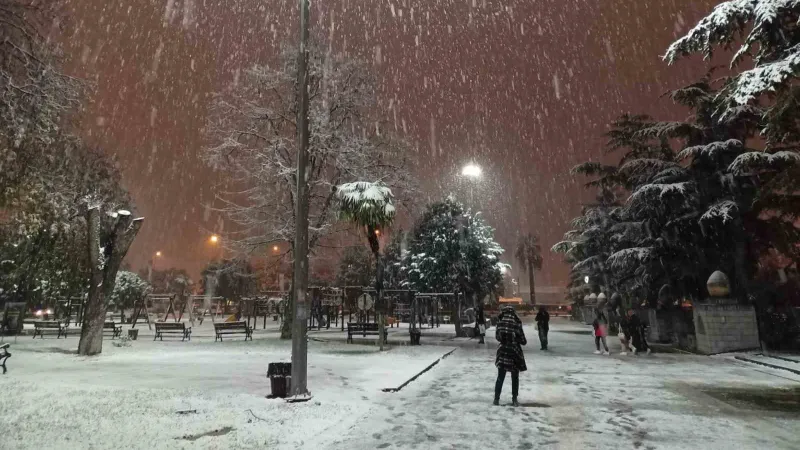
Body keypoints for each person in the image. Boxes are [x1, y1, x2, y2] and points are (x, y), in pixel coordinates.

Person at [494, 305, 527, 406]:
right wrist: (516, 339)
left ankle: (496, 399)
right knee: (515, 376)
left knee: (500, 376)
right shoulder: (516, 322)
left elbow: (497, 337)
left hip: (503, 351)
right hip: (514, 352)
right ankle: (514, 399)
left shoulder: (500, 322)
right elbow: (523, 341)